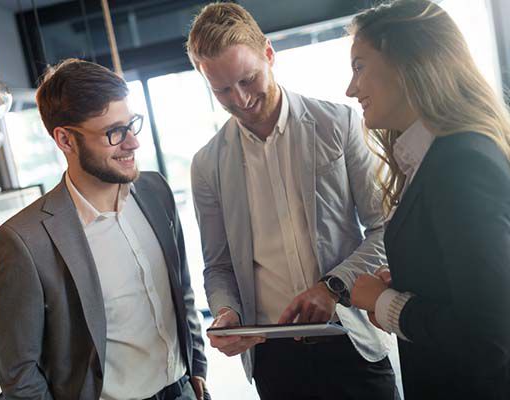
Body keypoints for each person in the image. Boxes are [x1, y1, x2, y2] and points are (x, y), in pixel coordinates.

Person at [187, 3, 397, 399]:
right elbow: (218, 266)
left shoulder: (339, 123)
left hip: (352, 341)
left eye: (248, 80)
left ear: (268, 54)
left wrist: (332, 286)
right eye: (222, 90)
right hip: (274, 359)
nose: (241, 99)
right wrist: (227, 313)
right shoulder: (206, 165)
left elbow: (383, 230)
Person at [0, 59, 208, 400]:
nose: (133, 143)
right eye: (114, 132)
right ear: (65, 140)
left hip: (183, 390)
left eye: (132, 125)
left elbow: (182, 290)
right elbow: (20, 373)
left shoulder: (156, 192)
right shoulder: (25, 241)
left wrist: (198, 369)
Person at [346, 1, 510, 399]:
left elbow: (493, 335)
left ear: (406, 62)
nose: (351, 89)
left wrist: (384, 302)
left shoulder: (461, 162)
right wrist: (410, 282)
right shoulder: (437, 160)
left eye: (359, 66)